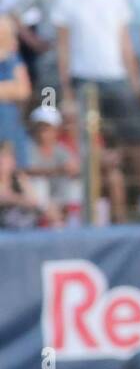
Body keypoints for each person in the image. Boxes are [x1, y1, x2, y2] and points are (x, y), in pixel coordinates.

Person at [53, 0, 140, 218]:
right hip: (84, 79)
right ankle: (90, 202)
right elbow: (62, 48)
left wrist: (134, 80)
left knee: (135, 138)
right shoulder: (67, 0)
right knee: (87, 141)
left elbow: (125, 43)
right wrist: (67, 90)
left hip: (116, 76)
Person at [24, 104, 79, 223]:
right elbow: (27, 170)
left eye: (48, 128)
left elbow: (73, 167)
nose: (44, 133)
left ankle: (70, 220)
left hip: (57, 194)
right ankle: (48, 219)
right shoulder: (27, 147)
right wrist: (58, 170)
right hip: (37, 197)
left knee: (74, 186)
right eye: (41, 128)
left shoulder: (61, 149)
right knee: (39, 184)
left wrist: (71, 169)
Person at [0, 15, 32, 166]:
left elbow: (24, 90)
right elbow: (17, 89)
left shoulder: (13, 59)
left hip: (11, 129)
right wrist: (10, 88)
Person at [0, 137, 49, 227]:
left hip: (22, 226)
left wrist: (23, 180)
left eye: (9, 157)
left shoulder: (19, 178)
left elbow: (34, 201)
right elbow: (4, 197)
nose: (6, 161)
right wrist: (21, 200)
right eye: (3, 157)